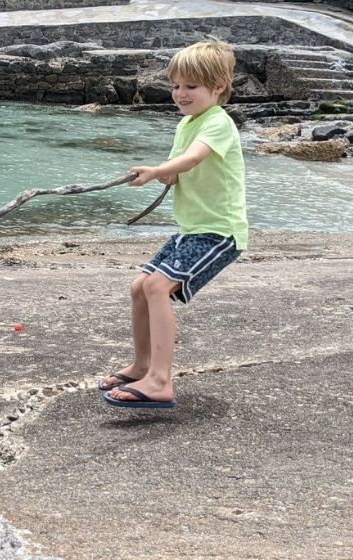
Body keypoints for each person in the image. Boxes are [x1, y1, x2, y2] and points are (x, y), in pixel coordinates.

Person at [100, 38, 247, 410]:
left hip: (219, 230)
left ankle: (160, 381)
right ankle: (142, 365)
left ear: (218, 88)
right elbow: (176, 172)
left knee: (157, 287)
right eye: (175, 86)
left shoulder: (218, 123)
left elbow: (194, 158)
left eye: (191, 87)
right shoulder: (187, 123)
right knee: (140, 286)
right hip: (191, 229)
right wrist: (158, 174)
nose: (180, 94)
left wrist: (157, 171)